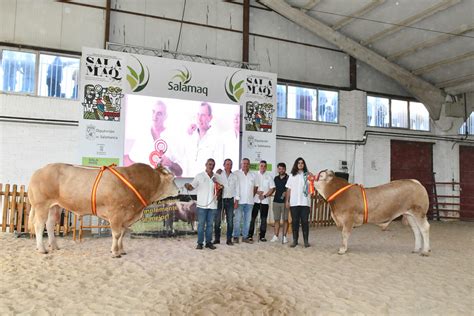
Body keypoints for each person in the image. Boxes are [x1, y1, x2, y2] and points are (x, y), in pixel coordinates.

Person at [125, 100, 183, 176]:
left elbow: (180, 172)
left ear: (165, 116)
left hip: (164, 185)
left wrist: (170, 164)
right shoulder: (142, 135)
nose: (155, 116)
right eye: (153, 112)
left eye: (159, 113)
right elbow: (131, 161)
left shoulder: (173, 138)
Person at [184, 158, 222, 250]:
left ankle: (208, 243)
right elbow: (191, 187)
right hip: (201, 205)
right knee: (201, 225)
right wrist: (187, 186)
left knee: (210, 225)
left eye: (213, 164)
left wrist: (219, 189)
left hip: (213, 205)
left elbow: (220, 189)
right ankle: (200, 243)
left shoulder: (217, 177)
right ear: (206, 165)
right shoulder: (199, 176)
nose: (211, 166)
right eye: (209, 164)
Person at [186, 102, 223, 176]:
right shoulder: (191, 135)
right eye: (198, 115)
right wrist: (187, 135)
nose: (199, 119)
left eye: (203, 115)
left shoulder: (217, 138)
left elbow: (219, 167)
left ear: (210, 117)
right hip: (189, 181)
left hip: (207, 183)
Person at [285, 157, 312, 248]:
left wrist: (312, 178)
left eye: (302, 163)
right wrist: (287, 201)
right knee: (295, 222)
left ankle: (306, 241)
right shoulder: (292, 175)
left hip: (305, 203)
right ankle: (295, 240)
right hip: (294, 203)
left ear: (304, 165)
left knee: (305, 222)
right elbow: (289, 189)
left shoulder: (308, 175)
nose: (300, 164)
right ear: (296, 164)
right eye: (299, 163)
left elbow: (311, 188)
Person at [214, 158, 239, 246]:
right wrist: (216, 173)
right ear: (224, 165)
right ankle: (217, 239)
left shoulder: (235, 176)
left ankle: (229, 240)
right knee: (217, 220)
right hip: (221, 200)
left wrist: (237, 200)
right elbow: (212, 179)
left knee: (230, 221)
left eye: (230, 164)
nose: (229, 166)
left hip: (231, 200)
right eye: (227, 164)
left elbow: (237, 189)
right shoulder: (219, 174)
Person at [248, 160, 275, 242]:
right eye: (261, 165)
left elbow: (272, 188)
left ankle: (262, 236)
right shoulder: (254, 175)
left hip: (265, 201)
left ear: (266, 167)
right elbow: (250, 186)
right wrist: (256, 191)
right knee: (252, 219)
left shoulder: (269, 176)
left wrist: (265, 195)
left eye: (264, 166)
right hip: (255, 201)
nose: (263, 167)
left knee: (263, 220)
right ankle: (250, 235)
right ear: (258, 166)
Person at [233, 158, 257, 244]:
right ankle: (235, 236)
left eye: (247, 163)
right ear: (241, 164)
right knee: (238, 220)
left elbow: (255, 187)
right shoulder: (236, 173)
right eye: (244, 163)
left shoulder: (253, 175)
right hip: (239, 201)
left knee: (247, 220)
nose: (245, 165)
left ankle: (245, 237)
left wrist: (251, 196)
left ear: (249, 164)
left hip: (250, 202)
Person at [270, 162, 289, 244]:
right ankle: (276, 236)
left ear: (285, 169)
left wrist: (286, 193)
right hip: (276, 202)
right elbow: (273, 188)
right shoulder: (275, 178)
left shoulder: (289, 178)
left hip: (285, 202)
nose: (281, 170)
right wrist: (267, 194)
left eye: (282, 169)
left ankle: (284, 236)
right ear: (278, 169)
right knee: (276, 220)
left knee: (285, 220)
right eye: (279, 168)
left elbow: (290, 189)